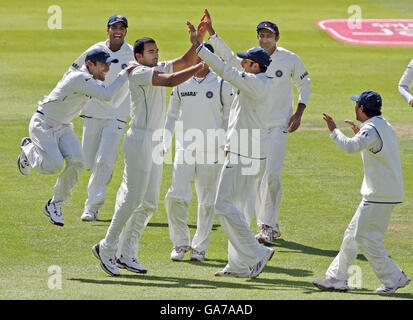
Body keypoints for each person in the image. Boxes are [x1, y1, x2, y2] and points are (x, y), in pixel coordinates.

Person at [92, 27, 209, 276]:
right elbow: (171, 80)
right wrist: (199, 68)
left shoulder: (155, 67)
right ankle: (107, 246)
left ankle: (127, 253)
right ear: (138, 56)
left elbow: (181, 62)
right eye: (150, 52)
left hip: (154, 142)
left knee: (148, 202)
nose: (156, 55)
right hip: (140, 141)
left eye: (156, 51)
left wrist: (196, 43)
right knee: (133, 199)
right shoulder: (139, 72)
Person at [188, 16, 275, 279]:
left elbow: (225, 69)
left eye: (246, 61)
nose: (242, 63)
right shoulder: (253, 76)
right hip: (249, 150)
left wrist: (199, 48)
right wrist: (212, 34)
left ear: (255, 66)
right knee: (239, 208)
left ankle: (257, 254)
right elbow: (229, 61)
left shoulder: (255, 82)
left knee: (223, 204)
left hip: (244, 151)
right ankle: (239, 265)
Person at [17, 49, 136, 227]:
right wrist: (125, 73)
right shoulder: (79, 78)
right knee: (54, 165)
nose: (108, 68)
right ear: (90, 65)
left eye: (109, 64)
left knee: (78, 162)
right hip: (43, 124)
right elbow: (107, 95)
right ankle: (28, 149)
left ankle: (55, 204)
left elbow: (110, 98)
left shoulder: (92, 79)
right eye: (104, 64)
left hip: (63, 126)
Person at [313, 90, 410, 294]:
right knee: (351, 236)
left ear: (362, 109)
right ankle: (336, 278)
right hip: (384, 192)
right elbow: (373, 147)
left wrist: (334, 130)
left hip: (379, 195)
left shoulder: (371, 130)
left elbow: (350, 147)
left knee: (366, 238)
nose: (355, 107)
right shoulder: (381, 125)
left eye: (357, 104)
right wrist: (360, 133)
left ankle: (394, 278)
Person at [163, 42, 233, 262]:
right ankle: (180, 243)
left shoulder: (222, 83)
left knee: (207, 200)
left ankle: (200, 247)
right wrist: (164, 141)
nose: (201, 62)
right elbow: (172, 116)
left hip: (212, 150)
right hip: (185, 148)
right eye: (198, 58)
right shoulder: (181, 82)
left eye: (206, 58)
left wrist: (225, 143)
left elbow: (229, 116)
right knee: (176, 194)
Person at [70, 15, 135, 222]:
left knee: (103, 160)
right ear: (107, 30)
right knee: (87, 162)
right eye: (114, 27)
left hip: (117, 115)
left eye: (122, 28)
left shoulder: (133, 53)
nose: (118, 31)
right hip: (93, 111)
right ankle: (102, 176)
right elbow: (73, 72)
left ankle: (92, 207)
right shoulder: (95, 50)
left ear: (126, 31)